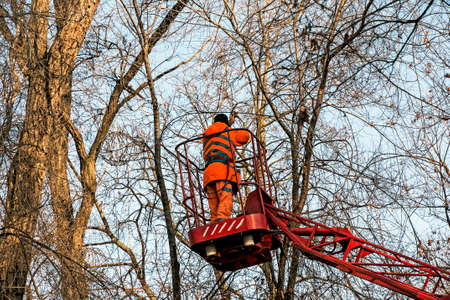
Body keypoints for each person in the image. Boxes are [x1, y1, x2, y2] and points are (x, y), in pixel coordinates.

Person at [202, 113, 250, 223]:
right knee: (225, 200)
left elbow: (218, 134)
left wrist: (228, 124)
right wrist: (230, 125)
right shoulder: (228, 131)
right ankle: (221, 224)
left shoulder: (206, 135)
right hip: (223, 171)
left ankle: (214, 226)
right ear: (225, 122)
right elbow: (245, 137)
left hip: (209, 174)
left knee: (214, 207)